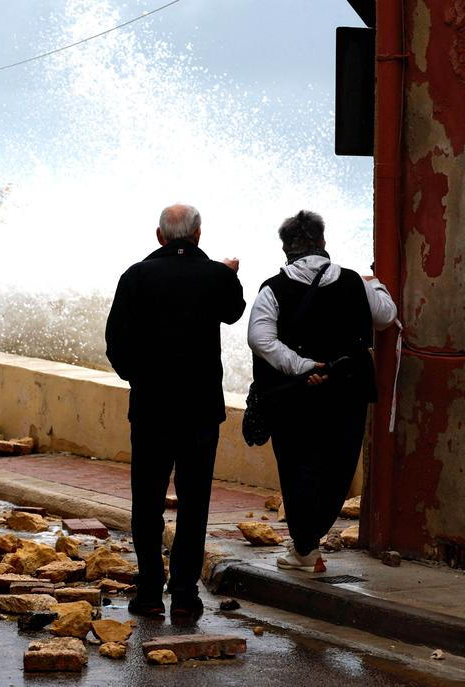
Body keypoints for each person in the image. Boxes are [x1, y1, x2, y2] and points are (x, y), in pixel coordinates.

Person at [105, 204, 245, 618]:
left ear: (159, 236)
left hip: (150, 407)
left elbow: (117, 342)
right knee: (194, 500)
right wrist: (230, 275)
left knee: (147, 501)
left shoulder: (136, 276)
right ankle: (185, 594)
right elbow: (233, 313)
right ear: (198, 235)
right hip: (200, 409)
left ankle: (149, 591)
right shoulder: (217, 276)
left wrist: (141, 380)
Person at [248, 210, 396, 572]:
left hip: (296, 393)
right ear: (323, 243)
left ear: (285, 249)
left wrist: (301, 366)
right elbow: (387, 316)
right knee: (337, 465)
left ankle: (304, 547)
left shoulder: (273, 288)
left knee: (298, 464)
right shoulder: (353, 282)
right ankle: (308, 542)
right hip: (348, 390)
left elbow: (259, 338)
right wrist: (375, 281)